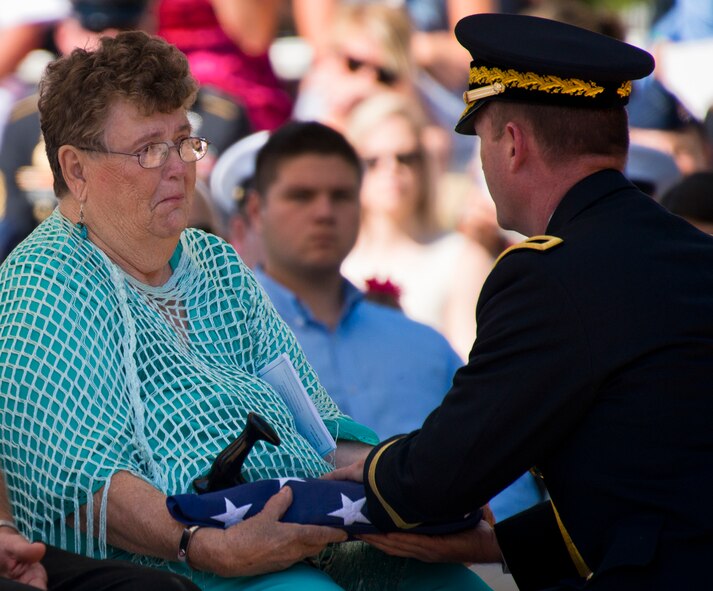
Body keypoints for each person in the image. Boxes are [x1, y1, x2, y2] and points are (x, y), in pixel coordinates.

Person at [0, 31, 486, 591]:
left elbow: (319, 430)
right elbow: (82, 486)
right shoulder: (46, 278)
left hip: (300, 526)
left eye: (184, 142)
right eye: (149, 150)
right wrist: (207, 546)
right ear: (76, 170)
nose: (178, 167)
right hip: (166, 563)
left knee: (450, 582)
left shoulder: (216, 262)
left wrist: (417, 488)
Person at [328, 13, 713, 591]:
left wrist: (358, 477)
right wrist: (503, 544)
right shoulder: (690, 251)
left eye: (481, 139)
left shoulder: (550, 276)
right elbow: (649, 476)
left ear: (512, 144)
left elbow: (440, 478)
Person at [244, 120, 463, 440]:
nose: (324, 212)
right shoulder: (220, 341)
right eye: (301, 196)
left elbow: (498, 473)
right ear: (255, 210)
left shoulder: (426, 346)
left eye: (341, 196)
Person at [342, 91, 494, 359]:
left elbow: (466, 364)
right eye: (373, 161)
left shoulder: (462, 258)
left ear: (424, 165)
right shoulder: (335, 261)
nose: (391, 169)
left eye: (405, 157)